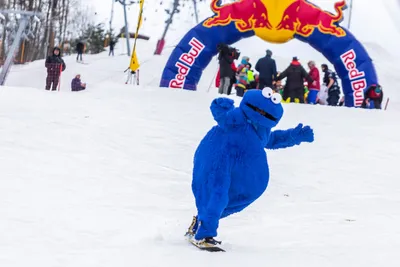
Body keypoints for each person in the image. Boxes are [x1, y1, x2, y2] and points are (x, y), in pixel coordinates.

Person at [185, 89, 314, 250]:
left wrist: (294, 136)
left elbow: (271, 140)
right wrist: (222, 105)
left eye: (264, 112)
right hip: (217, 159)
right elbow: (221, 115)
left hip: (236, 167)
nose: (261, 113)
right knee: (216, 194)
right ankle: (204, 234)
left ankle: (199, 224)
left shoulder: (262, 130)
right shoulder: (236, 118)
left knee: (227, 199)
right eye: (259, 110)